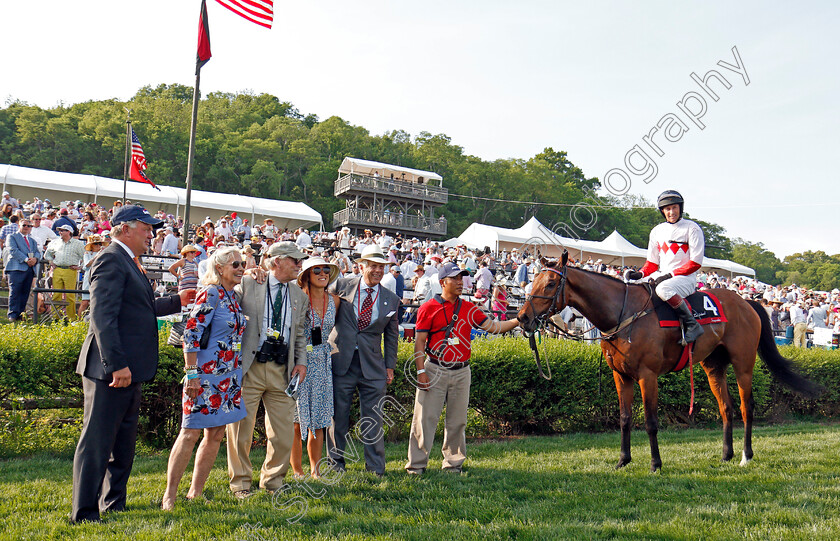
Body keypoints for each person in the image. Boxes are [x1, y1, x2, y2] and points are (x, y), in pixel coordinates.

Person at [70, 205, 194, 523]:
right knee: (98, 442)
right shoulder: (111, 258)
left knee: (122, 443)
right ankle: (84, 512)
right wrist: (116, 364)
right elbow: (101, 316)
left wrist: (178, 301)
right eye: (146, 227)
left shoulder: (128, 261)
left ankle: (114, 502)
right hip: (111, 370)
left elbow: (142, 307)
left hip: (129, 370)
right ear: (125, 228)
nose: (152, 233)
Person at [405, 262, 520, 475]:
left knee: (457, 421)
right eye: (455, 279)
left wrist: (518, 320)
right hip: (434, 369)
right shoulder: (428, 308)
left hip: (462, 371)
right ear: (442, 283)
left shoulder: (469, 308)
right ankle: (416, 466)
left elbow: (494, 327)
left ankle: (453, 464)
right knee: (424, 420)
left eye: (462, 278)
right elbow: (419, 342)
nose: (460, 282)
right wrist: (421, 371)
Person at [162, 247, 247, 510]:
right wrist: (191, 375)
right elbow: (191, 333)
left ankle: (196, 491)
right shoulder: (210, 292)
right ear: (219, 268)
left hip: (229, 376)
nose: (241, 267)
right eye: (235, 264)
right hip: (205, 376)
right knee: (189, 433)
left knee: (217, 434)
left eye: (243, 263)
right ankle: (169, 496)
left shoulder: (233, 296)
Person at [226, 242, 308, 499]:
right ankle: (240, 484)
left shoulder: (300, 296)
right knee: (240, 430)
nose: (299, 265)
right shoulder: (250, 283)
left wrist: (302, 361)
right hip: (250, 367)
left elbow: (301, 335)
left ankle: (273, 481)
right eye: (294, 260)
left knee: (284, 433)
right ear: (276, 262)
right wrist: (248, 271)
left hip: (282, 369)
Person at [327, 244, 400, 477]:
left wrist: (390, 366)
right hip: (341, 361)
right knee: (338, 417)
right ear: (362, 266)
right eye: (374, 266)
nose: (378, 270)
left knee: (373, 419)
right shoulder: (340, 285)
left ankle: (375, 469)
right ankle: (335, 464)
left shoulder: (392, 299)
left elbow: (392, 336)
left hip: (374, 366)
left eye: (382, 267)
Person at [623, 190, 705, 344]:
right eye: (667, 209)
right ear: (662, 211)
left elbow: (695, 263)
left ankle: (692, 324)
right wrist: (639, 274)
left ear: (680, 208)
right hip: (663, 275)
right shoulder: (656, 231)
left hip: (685, 278)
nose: (671, 212)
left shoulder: (692, 228)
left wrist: (669, 276)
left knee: (663, 289)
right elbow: (652, 263)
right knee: (633, 286)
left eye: (674, 207)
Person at [290, 257, 340, 480]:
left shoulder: (335, 301)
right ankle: (297, 470)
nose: (322, 273)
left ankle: (315, 470)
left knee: (319, 420)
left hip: (322, 361)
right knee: (296, 421)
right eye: (317, 270)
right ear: (307, 276)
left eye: (326, 270)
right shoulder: (298, 298)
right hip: (299, 361)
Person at [44, 224, 86, 321]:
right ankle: (55, 317)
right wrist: (51, 262)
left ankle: (71, 318)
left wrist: (79, 267)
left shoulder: (78, 243)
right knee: (56, 294)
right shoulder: (55, 242)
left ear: (69, 232)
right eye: (60, 230)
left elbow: (85, 256)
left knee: (70, 295)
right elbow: (48, 254)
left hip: (70, 270)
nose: (60, 232)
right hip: (57, 269)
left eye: (63, 230)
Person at [5, 218, 40, 321]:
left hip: (29, 269)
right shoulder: (12, 237)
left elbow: (37, 252)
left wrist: (35, 259)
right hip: (16, 268)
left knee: (25, 293)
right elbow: (13, 250)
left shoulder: (32, 240)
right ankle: (12, 314)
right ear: (19, 226)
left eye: (29, 226)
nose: (26, 227)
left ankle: (20, 314)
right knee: (15, 292)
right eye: (24, 225)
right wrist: (26, 259)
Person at [79, 235, 106, 316]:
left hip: (100, 277)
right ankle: (78, 321)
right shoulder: (87, 254)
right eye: (96, 244)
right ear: (91, 245)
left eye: (99, 244)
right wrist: (97, 256)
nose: (98, 246)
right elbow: (87, 265)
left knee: (97, 302)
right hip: (88, 278)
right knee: (85, 302)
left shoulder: (104, 253)